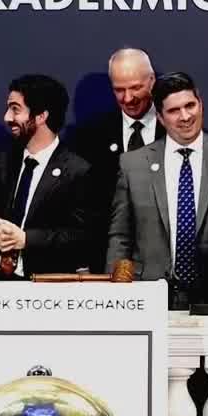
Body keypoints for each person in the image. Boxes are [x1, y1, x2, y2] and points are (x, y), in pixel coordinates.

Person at [105, 73, 208, 305]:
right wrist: (118, 295)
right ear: (160, 117)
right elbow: (121, 236)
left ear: (200, 104)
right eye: (173, 111)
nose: (185, 117)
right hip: (149, 294)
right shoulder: (133, 164)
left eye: (190, 105)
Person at [0, 74, 94, 277]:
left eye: (15, 109)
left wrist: (26, 239)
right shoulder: (1, 161)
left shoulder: (77, 170)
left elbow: (82, 235)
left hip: (46, 287)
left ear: (41, 116)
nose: (7, 117)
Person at [69, 48, 167, 270]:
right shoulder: (88, 137)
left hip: (163, 262)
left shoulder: (175, 131)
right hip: (104, 261)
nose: (128, 98)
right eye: (119, 90)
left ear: (152, 81)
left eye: (135, 88)